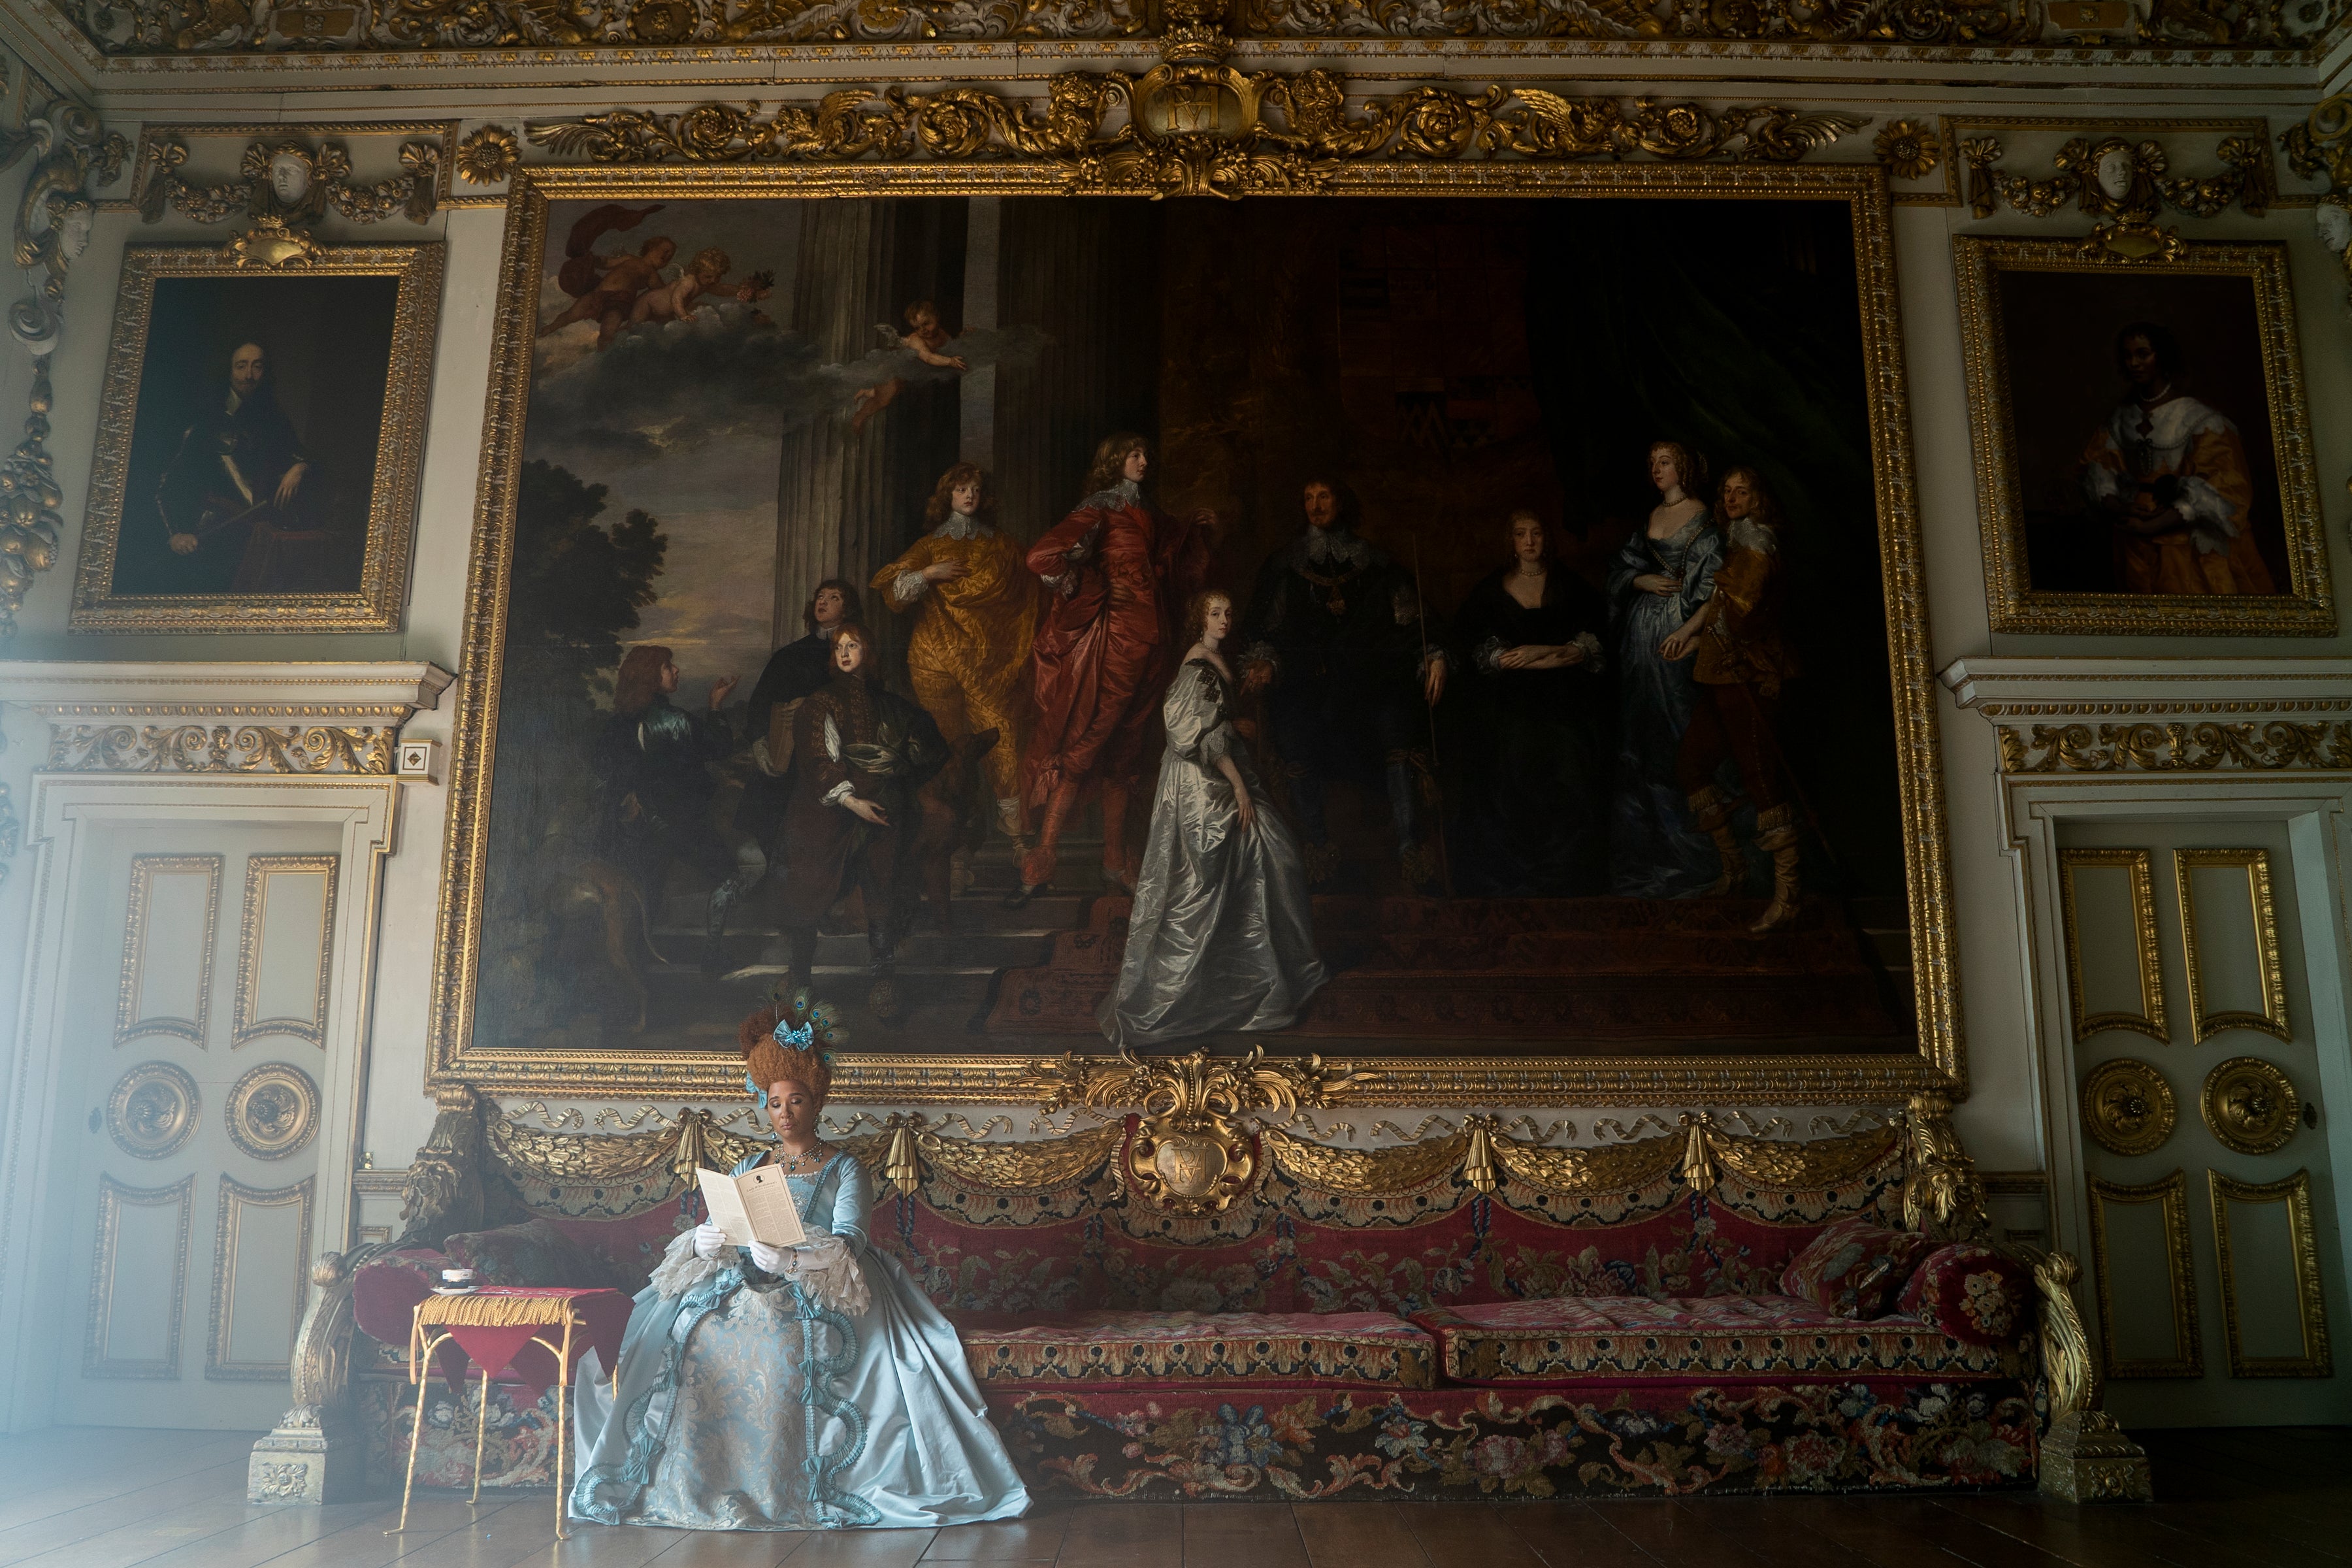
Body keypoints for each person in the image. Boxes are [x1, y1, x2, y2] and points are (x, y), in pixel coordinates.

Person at [570, 1004, 1030, 1531]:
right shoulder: (749, 1166)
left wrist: (792, 1259)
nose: (785, 1113)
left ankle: (787, 1487)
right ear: (764, 1108)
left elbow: (852, 1242)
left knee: (780, 1338)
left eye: (796, 1101)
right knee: (690, 1332)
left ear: (817, 1103)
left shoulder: (844, 1167)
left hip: (822, 1282)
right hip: (743, 1275)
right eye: (774, 1104)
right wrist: (705, 1240)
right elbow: (729, 1225)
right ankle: (703, 1481)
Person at [1101, 591, 1326, 1045]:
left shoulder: (1216, 661)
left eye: (1228, 612)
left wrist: (1237, 733)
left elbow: (1218, 720)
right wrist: (1239, 786)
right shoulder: (1197, 665)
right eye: (1215, 613)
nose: (1225, 619)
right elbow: (1190, 730)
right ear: (1199, 618)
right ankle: (1210, 993)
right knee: (1211, 877)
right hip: (1203, 784)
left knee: (1268, 857)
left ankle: (1255, 980)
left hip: (1219, 774)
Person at [1013, 433, 1215, 905]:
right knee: (1087, 745)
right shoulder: (1099, 508)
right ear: (1113, 463)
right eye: (1134, 454)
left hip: (1155, 642)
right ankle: (1042, 860)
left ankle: (1115, 862)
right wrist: (1089, 584)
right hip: (1117, 641)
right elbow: (1041, 556)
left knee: (1127, 754)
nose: (1144, 460)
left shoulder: (1148, 511)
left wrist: (1196, 528)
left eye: (1146, 453)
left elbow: (1172, 555)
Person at [1237, 477, 1448, 892]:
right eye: (1308, 498)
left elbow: (1414, 621)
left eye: (1324, 496)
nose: (1316, 506)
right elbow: (1263, 629)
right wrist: (1264, 660)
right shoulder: (1286, 565)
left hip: (1370, 685)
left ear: (1341, 502)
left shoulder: (1375, 563)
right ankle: (1318, 856)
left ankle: (1411, 855)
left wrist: (1433, 654)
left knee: (1397, 727)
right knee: (1296, 734)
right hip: (1308, 687)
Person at [772, 623, 945, 1021]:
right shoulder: (820, 703)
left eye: (854, 645)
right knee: (808, 880)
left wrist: (896, 769)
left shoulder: (893, 705)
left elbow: (928, 750)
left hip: (884, 805)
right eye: (838, 647)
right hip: (826, 808)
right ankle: (800, 972)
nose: (845, 653)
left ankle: (883, 978)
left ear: (870, 651)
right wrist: (851, 800)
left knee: (883, 880)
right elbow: (818, 758)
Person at [872, 464, 1040, 860]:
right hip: (935, 661)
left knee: (1004, 749)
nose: (970, 496)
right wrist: (928, 574)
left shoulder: (1002, 546)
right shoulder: (930, 545)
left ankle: (1018, 845)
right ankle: (954, 847)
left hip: (990, 666)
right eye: (962, 489)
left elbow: (1037, 578)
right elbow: (895, 594)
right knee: (946, 754)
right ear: (947, 496)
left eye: (976, 490)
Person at [1663, 466, 1805, 931]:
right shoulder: (1740, 542)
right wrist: (1694, 636)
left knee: (1761, 778)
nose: (1731, 498)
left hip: (1751, 676)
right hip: (1722, 675)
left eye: (1742, 490)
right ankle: (1736, 871)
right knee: (1692, 766)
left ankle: (1788, 897)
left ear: (1757, 497)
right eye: (1726, 492)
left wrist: (1719, 627)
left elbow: (1745, 614)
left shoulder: (1760, 544)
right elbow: (1726, 612)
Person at [1449, 509, 1612, 897]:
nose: (1529, 542)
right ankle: (1512, 874)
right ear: (1511, 542)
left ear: (1547, 539)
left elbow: (1586, 650)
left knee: (1570, 759)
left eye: (1536, 534)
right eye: (1521, 534)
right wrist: (1545, 656)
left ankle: (1567, 874)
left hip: (1565, 701)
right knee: (1508, 757)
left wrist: (1539, 651)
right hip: (1509, 703)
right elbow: (1489, 657)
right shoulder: (1490, 592)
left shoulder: (1572, 587)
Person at [1607, 440, 1727, 900]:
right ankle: (1652, 850)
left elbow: (1715, 589)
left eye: (1664, 462)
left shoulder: (1702, 519)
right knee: (1641, 735)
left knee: (1678, 730)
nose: (1656, 469)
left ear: (1683, 467)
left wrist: (1686, 625)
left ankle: (1700, 853)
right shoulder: (1652, 519)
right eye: (1652, 462)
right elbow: (1624, 566)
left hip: (1679, 637)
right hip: (1640, 639)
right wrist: (1640, 580)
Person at [2079, 320, 2274, 597]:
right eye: (2128, 355)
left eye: (2143, 354)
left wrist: (2151, 526)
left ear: (2162, 356)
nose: (2133, 363)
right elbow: (2098, 469)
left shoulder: (2199, 419)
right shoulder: (2122, 417)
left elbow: (2222, 487)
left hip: (2179, 540)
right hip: (2131, 537)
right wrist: (2120, 508)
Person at [596, 644, 757, 977]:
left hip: (639, 826)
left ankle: (633, 967)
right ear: (652, 677)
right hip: (681, 823)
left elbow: (607, 768)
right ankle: (712, 958)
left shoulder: (617, 724)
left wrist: (630, 795)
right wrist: (716, 706)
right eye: (669, 667)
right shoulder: (676, 720)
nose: (676, 671)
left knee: (646, 891)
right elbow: (720, 748)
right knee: (729, 877)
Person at [154, 340, 335, 595]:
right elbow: (168, 484)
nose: (249, 375)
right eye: (241, 366)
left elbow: (304, 456)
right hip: (212, 536)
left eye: (257, 367)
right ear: (229, 370)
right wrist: (175, 534)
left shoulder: (272, 417)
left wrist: (300, 467)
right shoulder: (205, 420)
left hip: (258, 537)